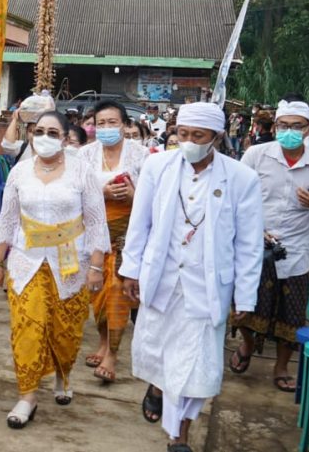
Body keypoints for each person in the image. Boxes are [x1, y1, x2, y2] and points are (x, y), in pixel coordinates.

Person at [120, 102, 263, 451]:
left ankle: (178, 435)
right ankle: (158, 387)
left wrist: (245, 295)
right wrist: (131, 270)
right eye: (182, 134)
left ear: (217, 136)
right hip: (163, 278)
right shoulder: (157, 167)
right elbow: (140, 224)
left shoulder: (241, 178)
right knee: (162, 355)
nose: (189, 141)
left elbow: (249, 243)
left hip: (207, 287)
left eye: (198, 135)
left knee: (197, 366)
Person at [0, 111, 110, 428]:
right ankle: (27, 395)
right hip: (26, 262)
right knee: (27, 327)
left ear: (65, 138)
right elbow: (7, 220)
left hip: (71, 262)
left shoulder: (82, 172)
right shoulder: (20, 172)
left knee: (65, 330)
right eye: (39, 131)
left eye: (53, 132)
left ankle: (62, 372)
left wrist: (96, 266)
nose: (44, 137)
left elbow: (96, 222)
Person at [230, 99, 309, 392]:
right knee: (245, 303)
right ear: (275, 126)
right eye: (283, 125)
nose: (289, 131)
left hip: (295, 247)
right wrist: (255, 229)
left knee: (291, 312)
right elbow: (235, 194)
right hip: (254, 243)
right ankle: (247, 344)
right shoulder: (257, 155)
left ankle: (281, 367)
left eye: (296, 126)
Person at [79, 102, 149, 384]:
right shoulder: (84, 155)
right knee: (97, 293)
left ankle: (113, 354)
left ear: (124, 124)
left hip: (126, 235)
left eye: (112, 122)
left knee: (118, 291)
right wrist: (103, 191)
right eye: (101, 123)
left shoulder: (142, 155)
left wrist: (133, 196)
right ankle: (103, 342)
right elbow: (76, 192)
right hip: (94, 235)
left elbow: (152, 197)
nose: (107, 128)